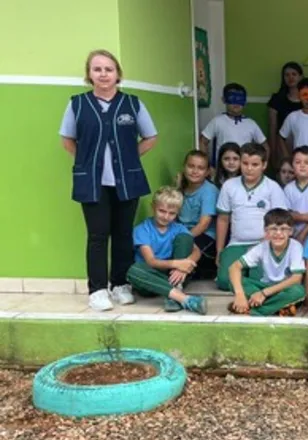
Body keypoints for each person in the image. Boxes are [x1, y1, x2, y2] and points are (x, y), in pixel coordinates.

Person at [60, 49, 158, 312]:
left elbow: (150, 137)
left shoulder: (133, 104)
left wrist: (129, 157)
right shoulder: (77, 104)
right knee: (97, 235)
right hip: (92, 182)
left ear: (118, 74)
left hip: (128, 180)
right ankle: (98, 290)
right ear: (89, 75)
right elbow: (67, 140)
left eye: (109, 69)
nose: (103, 74)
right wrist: (88, 161)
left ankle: (121, 284)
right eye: (97, 69)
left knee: (124, 233)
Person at [215, 143, 289, 291]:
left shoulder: (272, 187)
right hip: (236, 244)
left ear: (264, 165)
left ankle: (246, 280)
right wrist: (219, 251)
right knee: (223, 281)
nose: (249, 168)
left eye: (255, 164)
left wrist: (269, 242)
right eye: (245, 163)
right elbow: (223, 219)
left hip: (264, 244)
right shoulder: (229, 186)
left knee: (261, 278)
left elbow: (280, 221)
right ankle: (247, 281)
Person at [125, 186, 207, 314]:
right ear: (153, 207)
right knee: (134, 271)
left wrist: (184, 266)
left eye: (172, 213)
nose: (166, 216)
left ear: (177, 213)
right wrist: (178, 264)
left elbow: (197, 251)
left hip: (174, 275)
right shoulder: (142, 229)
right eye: (162, 211)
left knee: (185, 238)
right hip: (151, 276)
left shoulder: (178, 228)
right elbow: (151, 261)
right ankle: (185, 299)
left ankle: (174, 293)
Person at [228, 208, 306, 316]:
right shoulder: (262, 247)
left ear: (291, 231)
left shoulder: (295, 247)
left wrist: (264, 293)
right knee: (236, 282)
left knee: (298, 291)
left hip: (283, 289)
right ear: (266, 231)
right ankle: (277, 307)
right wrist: (240, 295)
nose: (278, 233)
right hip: (264, 286)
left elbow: (296, 278)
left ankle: (254, 310)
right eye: (273, 229)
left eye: (283, 229)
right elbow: (234, 267)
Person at [200, 82, 267, 165]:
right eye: (232, 98)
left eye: (240, 98)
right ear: (224, 99)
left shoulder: (251, 124)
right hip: (222, 170)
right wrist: (207, 165)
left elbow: (265, 146)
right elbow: (203, 141)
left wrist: (261, 165)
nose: (236, 103)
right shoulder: (217, 121)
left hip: (244, 169)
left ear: (245, 101)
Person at [177, 150, 219, 279]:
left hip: (205, 236)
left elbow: (203, 224)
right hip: (184, 232)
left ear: (207, 172)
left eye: (200, 168)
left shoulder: (209, 190)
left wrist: (183, 237)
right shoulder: (182, 188)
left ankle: (179, 277)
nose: (195, 171)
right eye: (191, 166)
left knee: (184, 247)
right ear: (184, 167)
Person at [267, 62, 303, 164]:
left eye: (294, 74)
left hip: (302, 145)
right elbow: (272, 127)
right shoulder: (277, 99)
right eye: (287, 75)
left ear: (300, 77)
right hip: (282, 145)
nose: (290, 77)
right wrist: (273, 152)